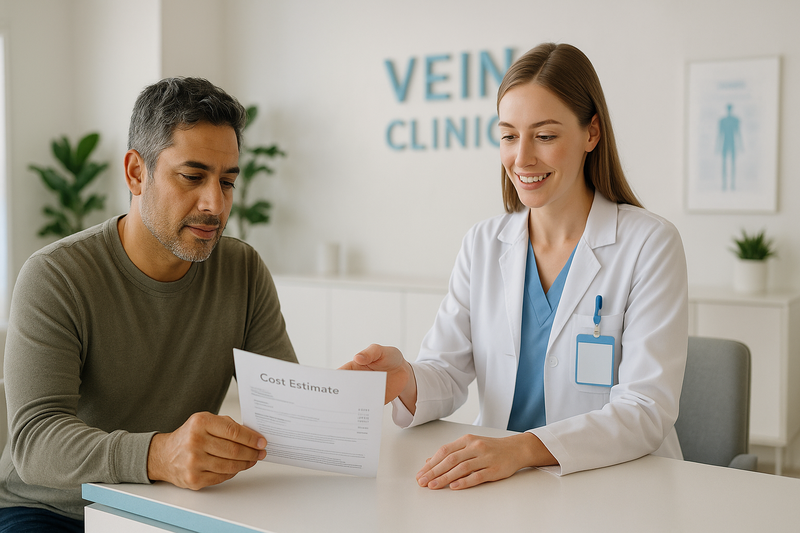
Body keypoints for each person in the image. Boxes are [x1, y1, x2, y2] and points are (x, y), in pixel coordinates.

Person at [341, 43, 688, 490]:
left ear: (591, 133)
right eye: (508, 135)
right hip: (503, 481)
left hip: (615, 482)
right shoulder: (484, 243)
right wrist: (406, 378)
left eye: (544, 136)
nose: (521, 158)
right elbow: (446, 372)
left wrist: (522, 449)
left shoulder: (649, 244)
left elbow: (644, 409)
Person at [0, 77, 297, 530]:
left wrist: (338, 397)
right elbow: (37, 444)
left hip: (164, 504)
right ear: (136, 172)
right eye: (193, 177)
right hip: (49, 509)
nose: (215, 204)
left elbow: (281, 407)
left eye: (228, 182)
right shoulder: (56, 275)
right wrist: (161, 454)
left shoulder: (242, 268)